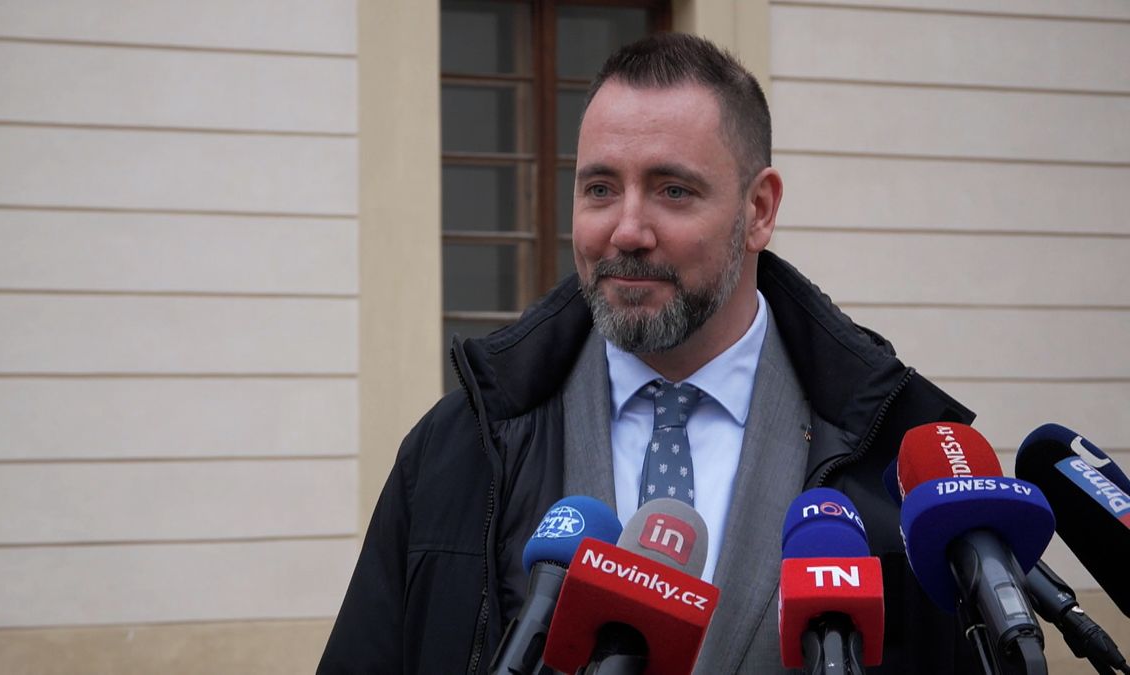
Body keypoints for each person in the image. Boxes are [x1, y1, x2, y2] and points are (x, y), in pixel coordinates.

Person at [318, 33, 981, 674]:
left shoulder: (897, 466)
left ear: (758, 209)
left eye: (672, 190)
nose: (627, 230)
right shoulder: (457, 450)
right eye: (600, 189)